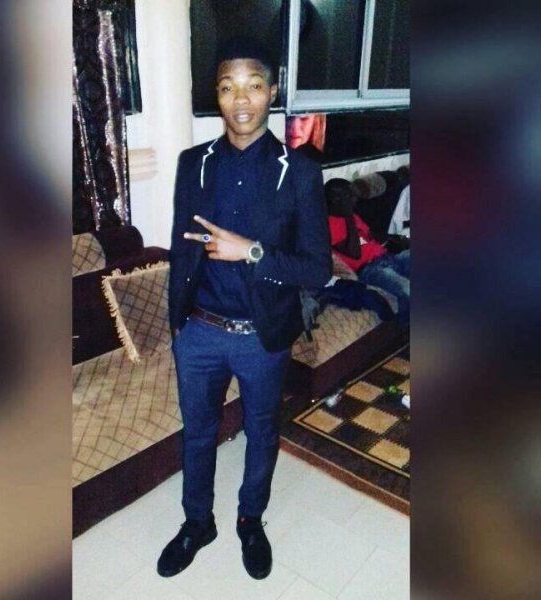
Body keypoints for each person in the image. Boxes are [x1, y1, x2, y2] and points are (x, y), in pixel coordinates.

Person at [159, 36, 331, 580]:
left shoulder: (298, 172)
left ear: (272, 91)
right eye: (228, 87)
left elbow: (317, 268)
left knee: (261, 430)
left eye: (254, 86)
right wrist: (178, 324)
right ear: (216, 94)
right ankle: (197, 523)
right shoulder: (193, 164)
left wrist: (250, 251)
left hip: (261, 335)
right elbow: (181, 247)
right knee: (197, 433)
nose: (241, 99)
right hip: (200, 333)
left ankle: (249, 520)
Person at [325, 178, 410, 323]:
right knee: (407, 289)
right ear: (336, 199)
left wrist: (397, 239)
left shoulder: (353, 216)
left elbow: (372, 236)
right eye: (350, 195)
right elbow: (354, 253)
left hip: (387, 257)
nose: (355, 199)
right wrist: (348, 215)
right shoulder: (328, 225)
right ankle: (406, 328)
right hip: (370, 269)